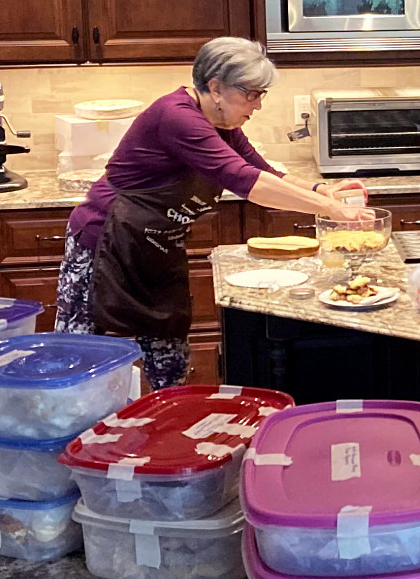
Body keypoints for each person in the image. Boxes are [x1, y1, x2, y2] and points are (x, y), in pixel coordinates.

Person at [54, 37, 362, 387]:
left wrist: (321, 190)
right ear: (216, 87)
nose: (257, 105)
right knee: (84, 359)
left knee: (168, 360)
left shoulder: (222, 125)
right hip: (104, 242)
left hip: (156, 246)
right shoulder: (176, 117)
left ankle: (161, 425)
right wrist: (331, 209)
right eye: (252, 93)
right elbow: (243, 180)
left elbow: (262, 169)